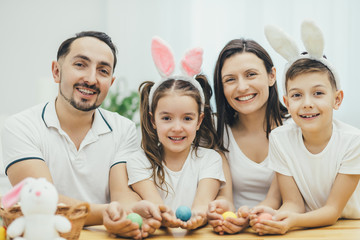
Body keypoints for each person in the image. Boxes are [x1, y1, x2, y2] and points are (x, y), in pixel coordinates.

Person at [1, 31, 160, 239]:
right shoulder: (20, 126)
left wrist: (132, 212)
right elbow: (44, 203)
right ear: (56, 71)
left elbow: (121, 194)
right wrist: (107, 214)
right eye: (80, 65)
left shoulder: (124, 129)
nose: (91, 79)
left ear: (110, 83)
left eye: (103, 71)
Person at [250, 20, 360, 235]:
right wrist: (273, 215)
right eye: (297, 95)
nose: (307, 103)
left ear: (337, 99)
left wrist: (291, 222)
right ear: (287, 103)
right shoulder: (280, 139)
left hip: (351, 226)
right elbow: (293, 204)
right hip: (309, 224)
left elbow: (332, 211)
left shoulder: (353, 141)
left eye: (318, 93)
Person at [126, 37, 225, 230]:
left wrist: (197, 217)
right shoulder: (138, 161)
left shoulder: (210, 159)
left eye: (187, 118)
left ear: (199, 120)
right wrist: (167, 217)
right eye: (167, 118)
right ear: (152, 120)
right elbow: (156, 205)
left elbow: (202, 204)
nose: (177, 127)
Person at [206, 37, 289, 234]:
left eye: (251, 74)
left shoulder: (295, 128)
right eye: (230, 79)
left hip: (280, 229)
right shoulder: (215, 129)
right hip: (230, 230)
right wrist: (222, 212)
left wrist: (252, 218)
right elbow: (220, 196)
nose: (242, 87)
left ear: (271, 76)